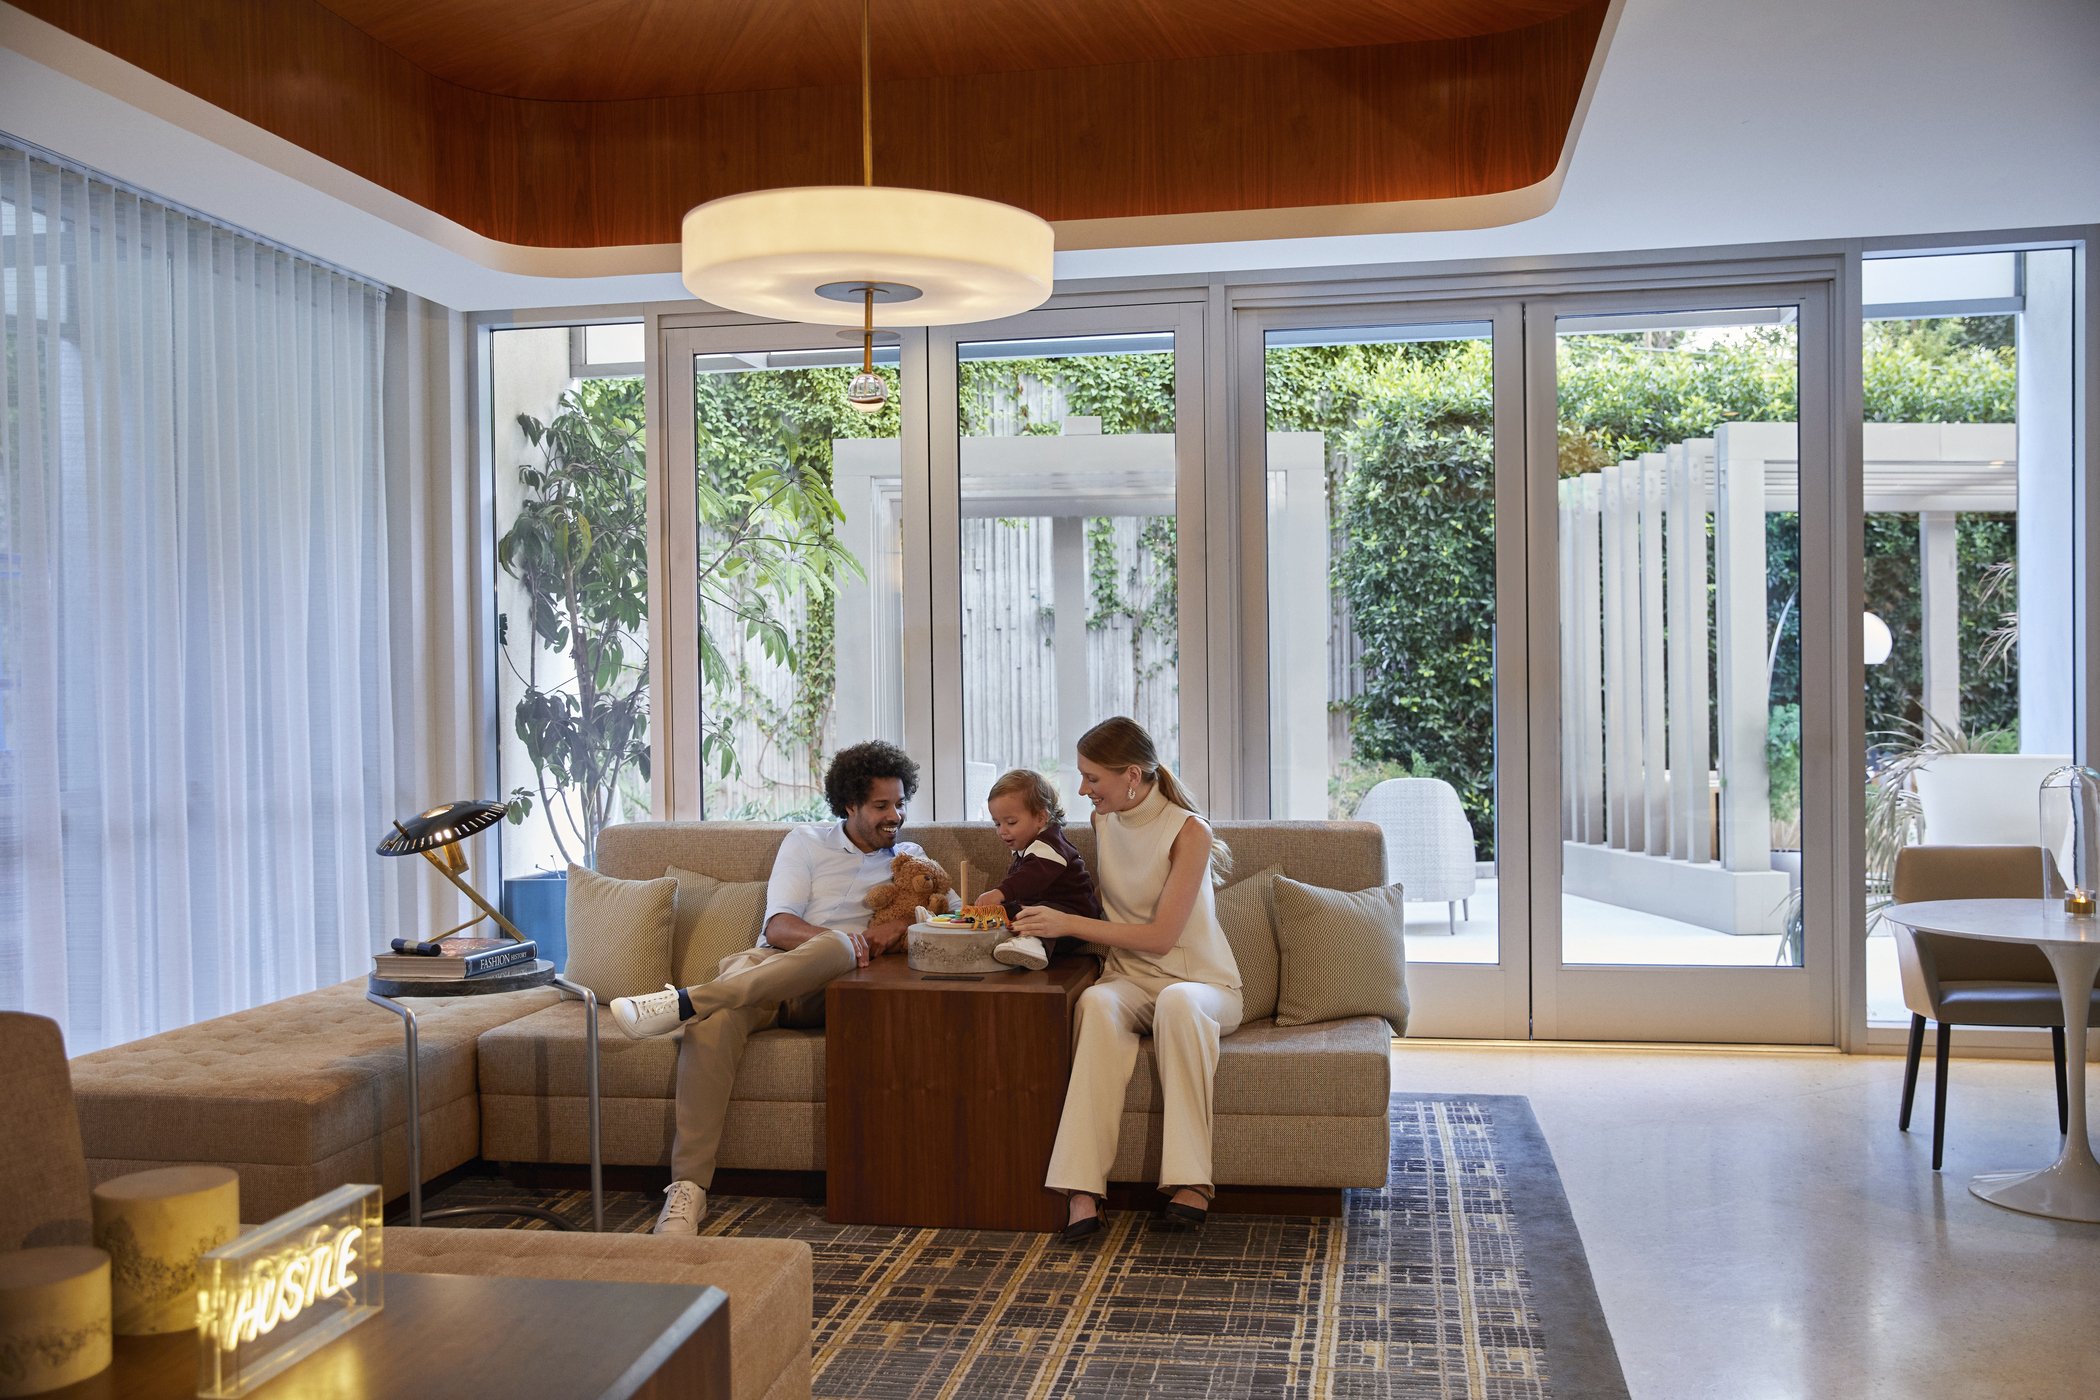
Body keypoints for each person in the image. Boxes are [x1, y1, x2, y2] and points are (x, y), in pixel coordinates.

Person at [608, 740, 922, 1235]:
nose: (896, 816)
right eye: (882, 805)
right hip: (770, 970)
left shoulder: (909, 858)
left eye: (901, 803)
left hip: (837, 986)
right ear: (849, 806)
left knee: (841, 949)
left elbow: (941, 913)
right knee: (713, 1027)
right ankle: (688, 1190)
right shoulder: (807, 841)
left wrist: (893, 927)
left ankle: (684, 1001)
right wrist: (851, 940)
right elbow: (779, 928)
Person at [1014, 717, 1243, 1241]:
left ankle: (1190, 1183)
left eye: (1092, 778)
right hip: (1131, 981)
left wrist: (1067, 923)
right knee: (1095, 1004)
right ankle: (1081, 1189)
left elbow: (1163, 936)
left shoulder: (1190, 831)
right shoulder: (1104, 823)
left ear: (1132, 775)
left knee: (1179, 1004)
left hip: (1202, 984)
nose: (1081, 789)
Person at [977, 768, 1103, 970]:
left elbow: (1032, 877)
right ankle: (956, 921)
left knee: (1033, 914)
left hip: (1073, 917)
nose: (1002, 831)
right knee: (1004, 911)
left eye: (1011, 822)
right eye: (997, 823)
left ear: (1041, 818)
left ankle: (1033, 944)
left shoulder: (1049, 845)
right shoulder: (1027, 847)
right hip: (1042, 910)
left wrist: (1001, 892)